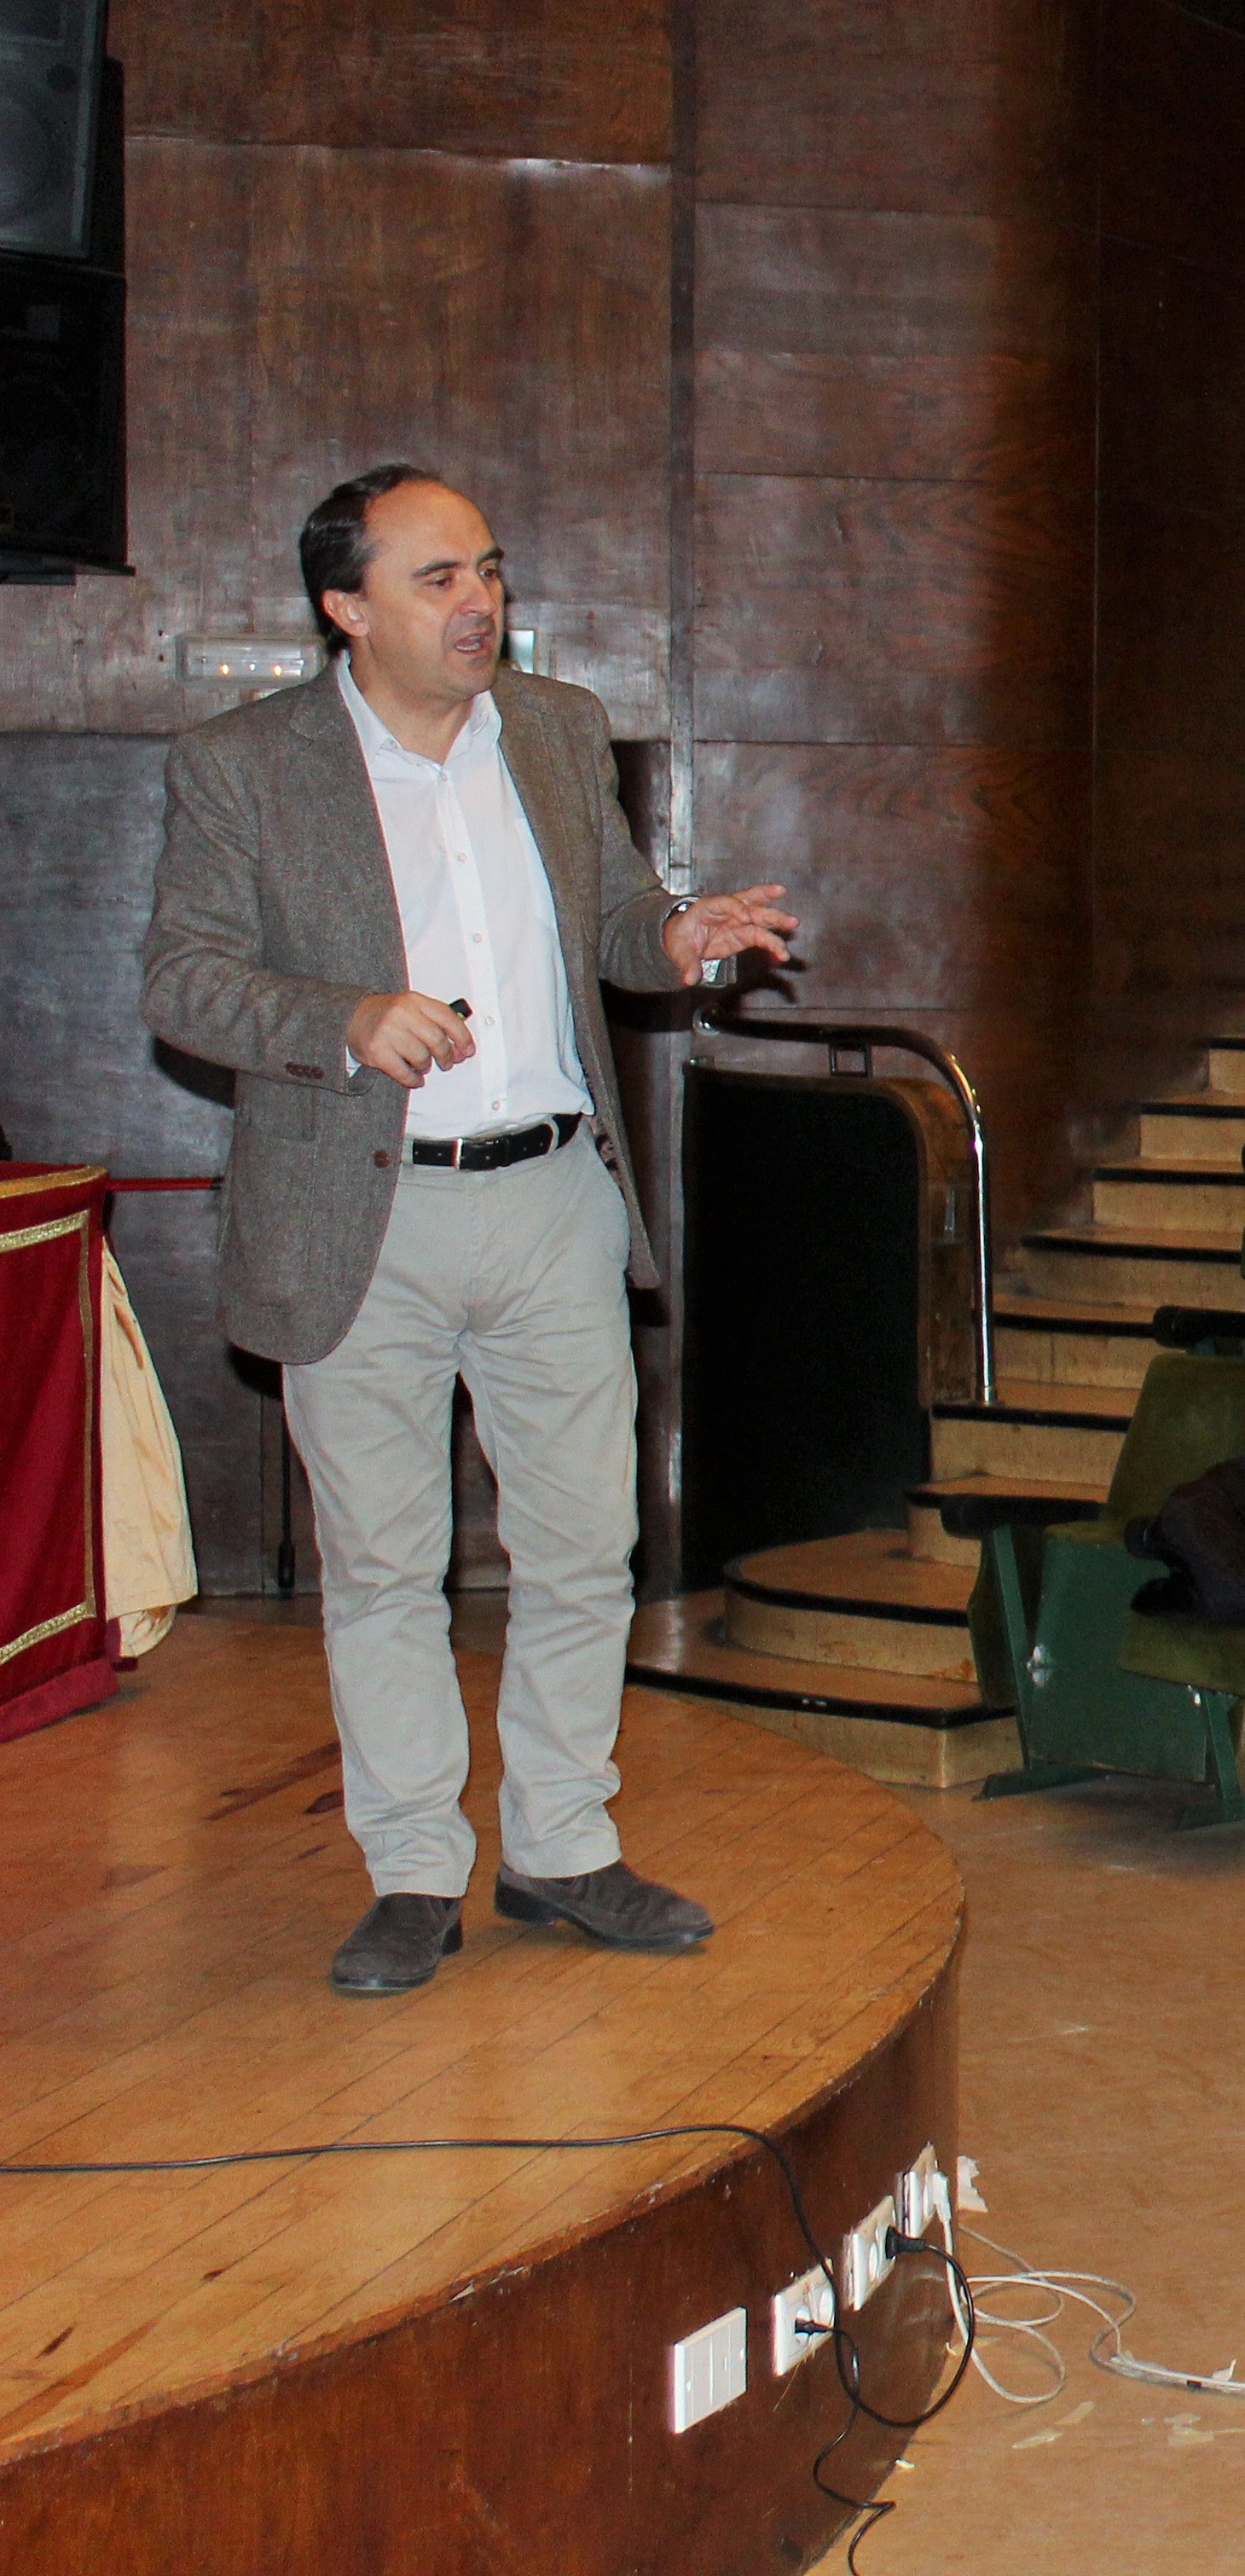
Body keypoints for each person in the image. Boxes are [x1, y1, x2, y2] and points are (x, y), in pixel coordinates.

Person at [138, 464, 799, 1997]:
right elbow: (181, 980)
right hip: (353, 1216)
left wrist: (677, 936)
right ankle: (414, 1872)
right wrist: (343, 1016)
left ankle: (562, 1846)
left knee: (584, 1549)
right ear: (344, 606)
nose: (477, 601)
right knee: (384, 1567)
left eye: (487, 569)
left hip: (555, 1197)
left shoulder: (560, 732)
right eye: (435, 578)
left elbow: (620, 925)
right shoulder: (246, 764)